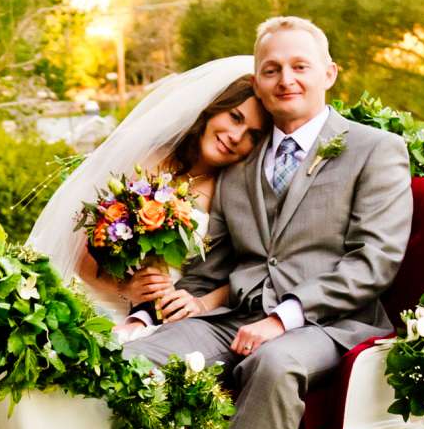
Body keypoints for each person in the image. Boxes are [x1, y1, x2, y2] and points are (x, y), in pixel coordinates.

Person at [132, 17, 412, 429]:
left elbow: (374, 260)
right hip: (235, 315)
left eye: (300, 66)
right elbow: (211, 264)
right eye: (272, 69)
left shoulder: (374, 150)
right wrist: (152, 312)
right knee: (141, 355)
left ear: (329, 73)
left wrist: (284, 317)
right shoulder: (240, 158)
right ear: (257, 82)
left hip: (332, 323)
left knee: (274, 362)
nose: (287, 79)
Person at [28, 58, 266, 335]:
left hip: (179, 321)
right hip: (104, 303)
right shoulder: (144, 162)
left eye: (253, 135)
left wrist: (200, 304)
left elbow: (248, 270)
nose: (236, 136)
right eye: (235, 117)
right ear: (213, 110)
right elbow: (80, 253)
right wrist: (126, 289)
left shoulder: (235, 189)